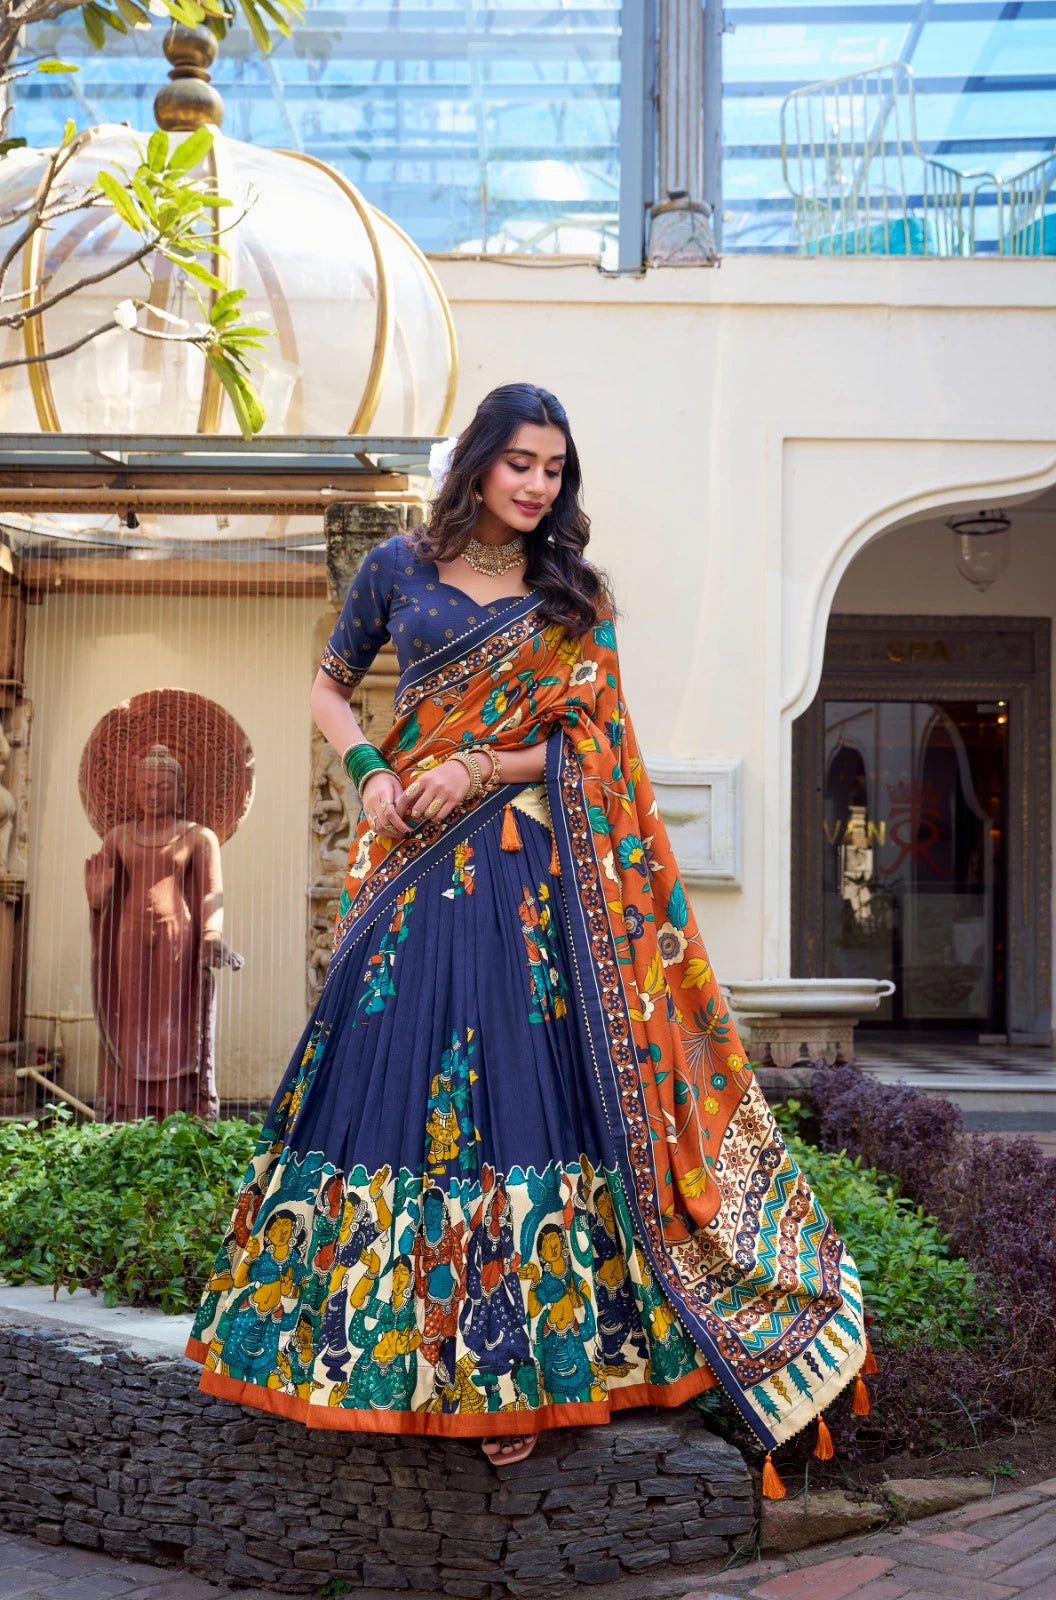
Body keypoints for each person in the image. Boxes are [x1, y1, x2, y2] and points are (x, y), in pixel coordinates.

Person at [188, 383, 869, 1480]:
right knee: (386, 1084)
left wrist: (478, 765)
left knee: (516, 1092)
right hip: (407, 869)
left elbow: (591, 748)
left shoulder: (572, 595)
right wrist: (370, 769)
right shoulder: (396, 569)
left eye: (555, 468)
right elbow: (327, 688)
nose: (538, 484)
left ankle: (520, 1373)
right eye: (521, 462)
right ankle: (351, 1350)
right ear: (477, 462)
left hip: (519, 876)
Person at [84, 744, 242, 1120]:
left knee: (175, 1015)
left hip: (177, 932)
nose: (153, 795)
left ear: (181, 790)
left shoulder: (198, 837)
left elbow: (212, 893)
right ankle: (127, 1104)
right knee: (130, 1013)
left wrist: (211, 934)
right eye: (146, 786)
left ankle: (178, 1103)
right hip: (130, 930)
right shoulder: (118, 837)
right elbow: (103, 893)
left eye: (164, 787)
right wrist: (97, 899)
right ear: (135, 790)